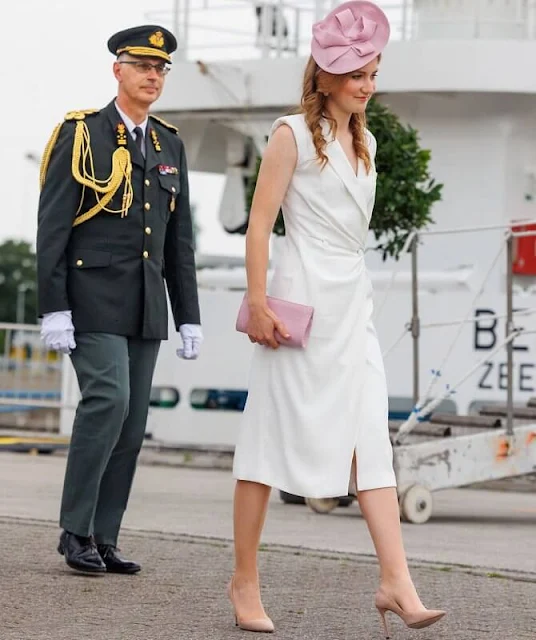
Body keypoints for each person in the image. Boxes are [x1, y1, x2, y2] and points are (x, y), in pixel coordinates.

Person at [229, 1, 446, 635]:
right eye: (355, 72)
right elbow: (260, 225)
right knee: (266, 442)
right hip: (298, 307)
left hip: (353, 305)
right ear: (323, 75)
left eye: (372, 72)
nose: (366, 84)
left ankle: (396, 582)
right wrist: (260, 301)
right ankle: (244, 580)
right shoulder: (288, 134)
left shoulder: (369, 141)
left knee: (370, 442)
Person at [36, 25, 202, 575]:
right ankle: (75, 530)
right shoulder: (82, 133)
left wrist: (189, 317)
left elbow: (179, 241)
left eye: (161, 69)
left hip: (144, 305)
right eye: (142, 66)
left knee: (131, 425)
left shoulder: (168, 143)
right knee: (107, 401)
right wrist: (52, 305)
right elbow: (54, 226)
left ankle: (104, 536)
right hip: (90, 298)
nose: (153, 76)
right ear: (118, 70)